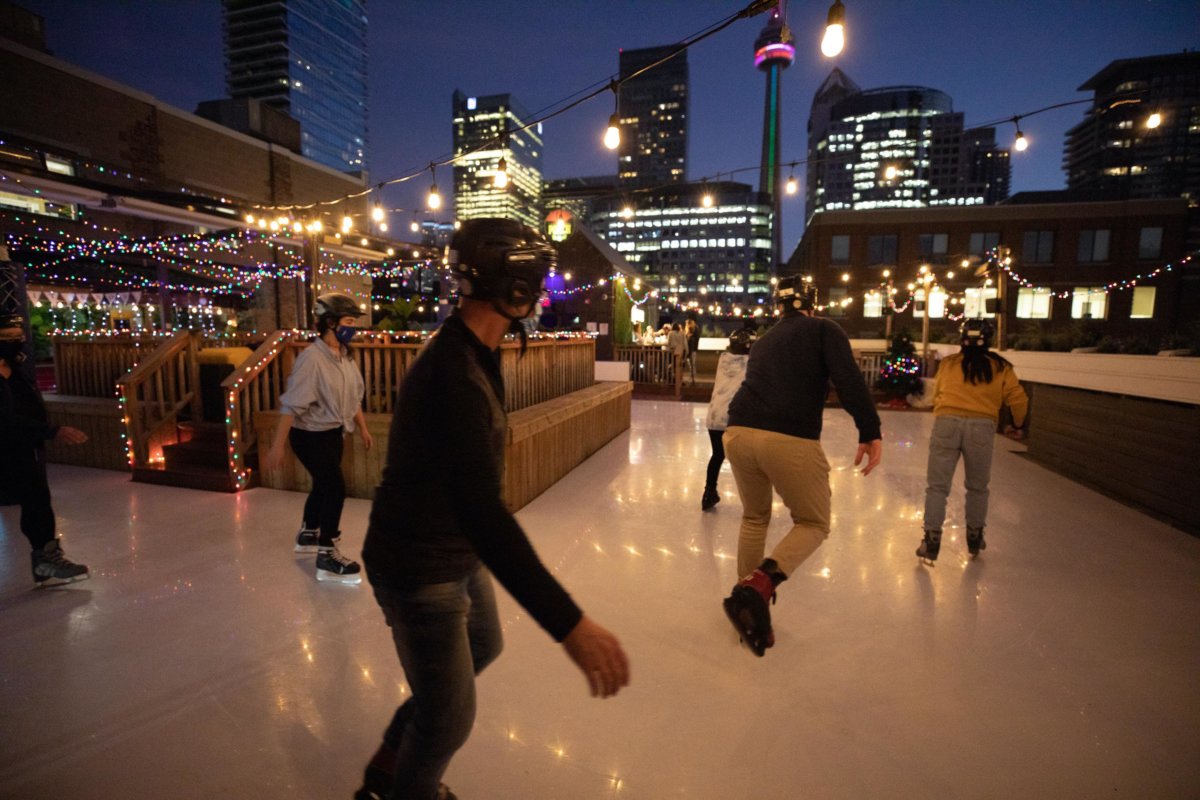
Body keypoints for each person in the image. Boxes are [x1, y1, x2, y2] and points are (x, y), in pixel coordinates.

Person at [357, 218, 629, 800]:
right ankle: (405, 789)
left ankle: (390, 762)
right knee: (450, 716)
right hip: (417, 565)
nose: (542, 293)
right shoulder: (454, 373)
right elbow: (484, 513)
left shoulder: (472, 350)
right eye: (537, 281)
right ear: (515, 291)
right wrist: (570, 625)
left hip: (447, 548)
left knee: (484, 646)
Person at [721, 276, 883, 656]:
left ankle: (746, 607)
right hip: (788, 437)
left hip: (739, 432)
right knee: (813, 522)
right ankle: (757, 588)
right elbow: (847, 379)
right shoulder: (824, 329)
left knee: (754, 517)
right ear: (813, 303)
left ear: (780, 305)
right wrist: (870, 429)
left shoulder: (764, 340)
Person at [262, 293, 373, 584]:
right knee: (335, 488)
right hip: (309, 436)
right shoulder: (311, 360)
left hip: (333, 432)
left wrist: (362, 428)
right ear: (330, 323)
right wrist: (276, 447)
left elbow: (353, 398)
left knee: (324, 486)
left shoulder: (345, 356)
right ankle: (327, 556)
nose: (353, 328)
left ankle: (308, 533)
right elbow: (291, 405)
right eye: (349, 322)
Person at [917, 319, 1028, 562]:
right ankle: (975, 537)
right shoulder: (1001, 367)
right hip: (982, 427)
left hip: (947, 423)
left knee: (937, 486)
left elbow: (938, 392)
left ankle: (931, 539)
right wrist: (1017, 424)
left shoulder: (949, 363)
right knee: (977, 487)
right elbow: (1018, 399)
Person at [0, 312, 90, 587]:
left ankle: (45, 560)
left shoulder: (13, 368)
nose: (18, 341)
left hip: (23, 448)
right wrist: (52, 431)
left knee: (37, 501)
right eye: (9, 337)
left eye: (19, 335)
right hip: (8, 448)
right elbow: (4, 420)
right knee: (35, 500)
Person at [701, 328, 753, 511]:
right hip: (735, 417)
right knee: (746, 459)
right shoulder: (750, 363)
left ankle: (709, 492)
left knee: (717, 455)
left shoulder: (723, 360)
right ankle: (753, 500)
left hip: (715, 416)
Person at [684, 318, 699, 386]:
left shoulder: (690, 337)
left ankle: (692, 378)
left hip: (691, 351)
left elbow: (690, 345)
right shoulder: (694, 335)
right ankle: (692, 377)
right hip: (692, 350)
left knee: (691, 364)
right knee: (692, 364)